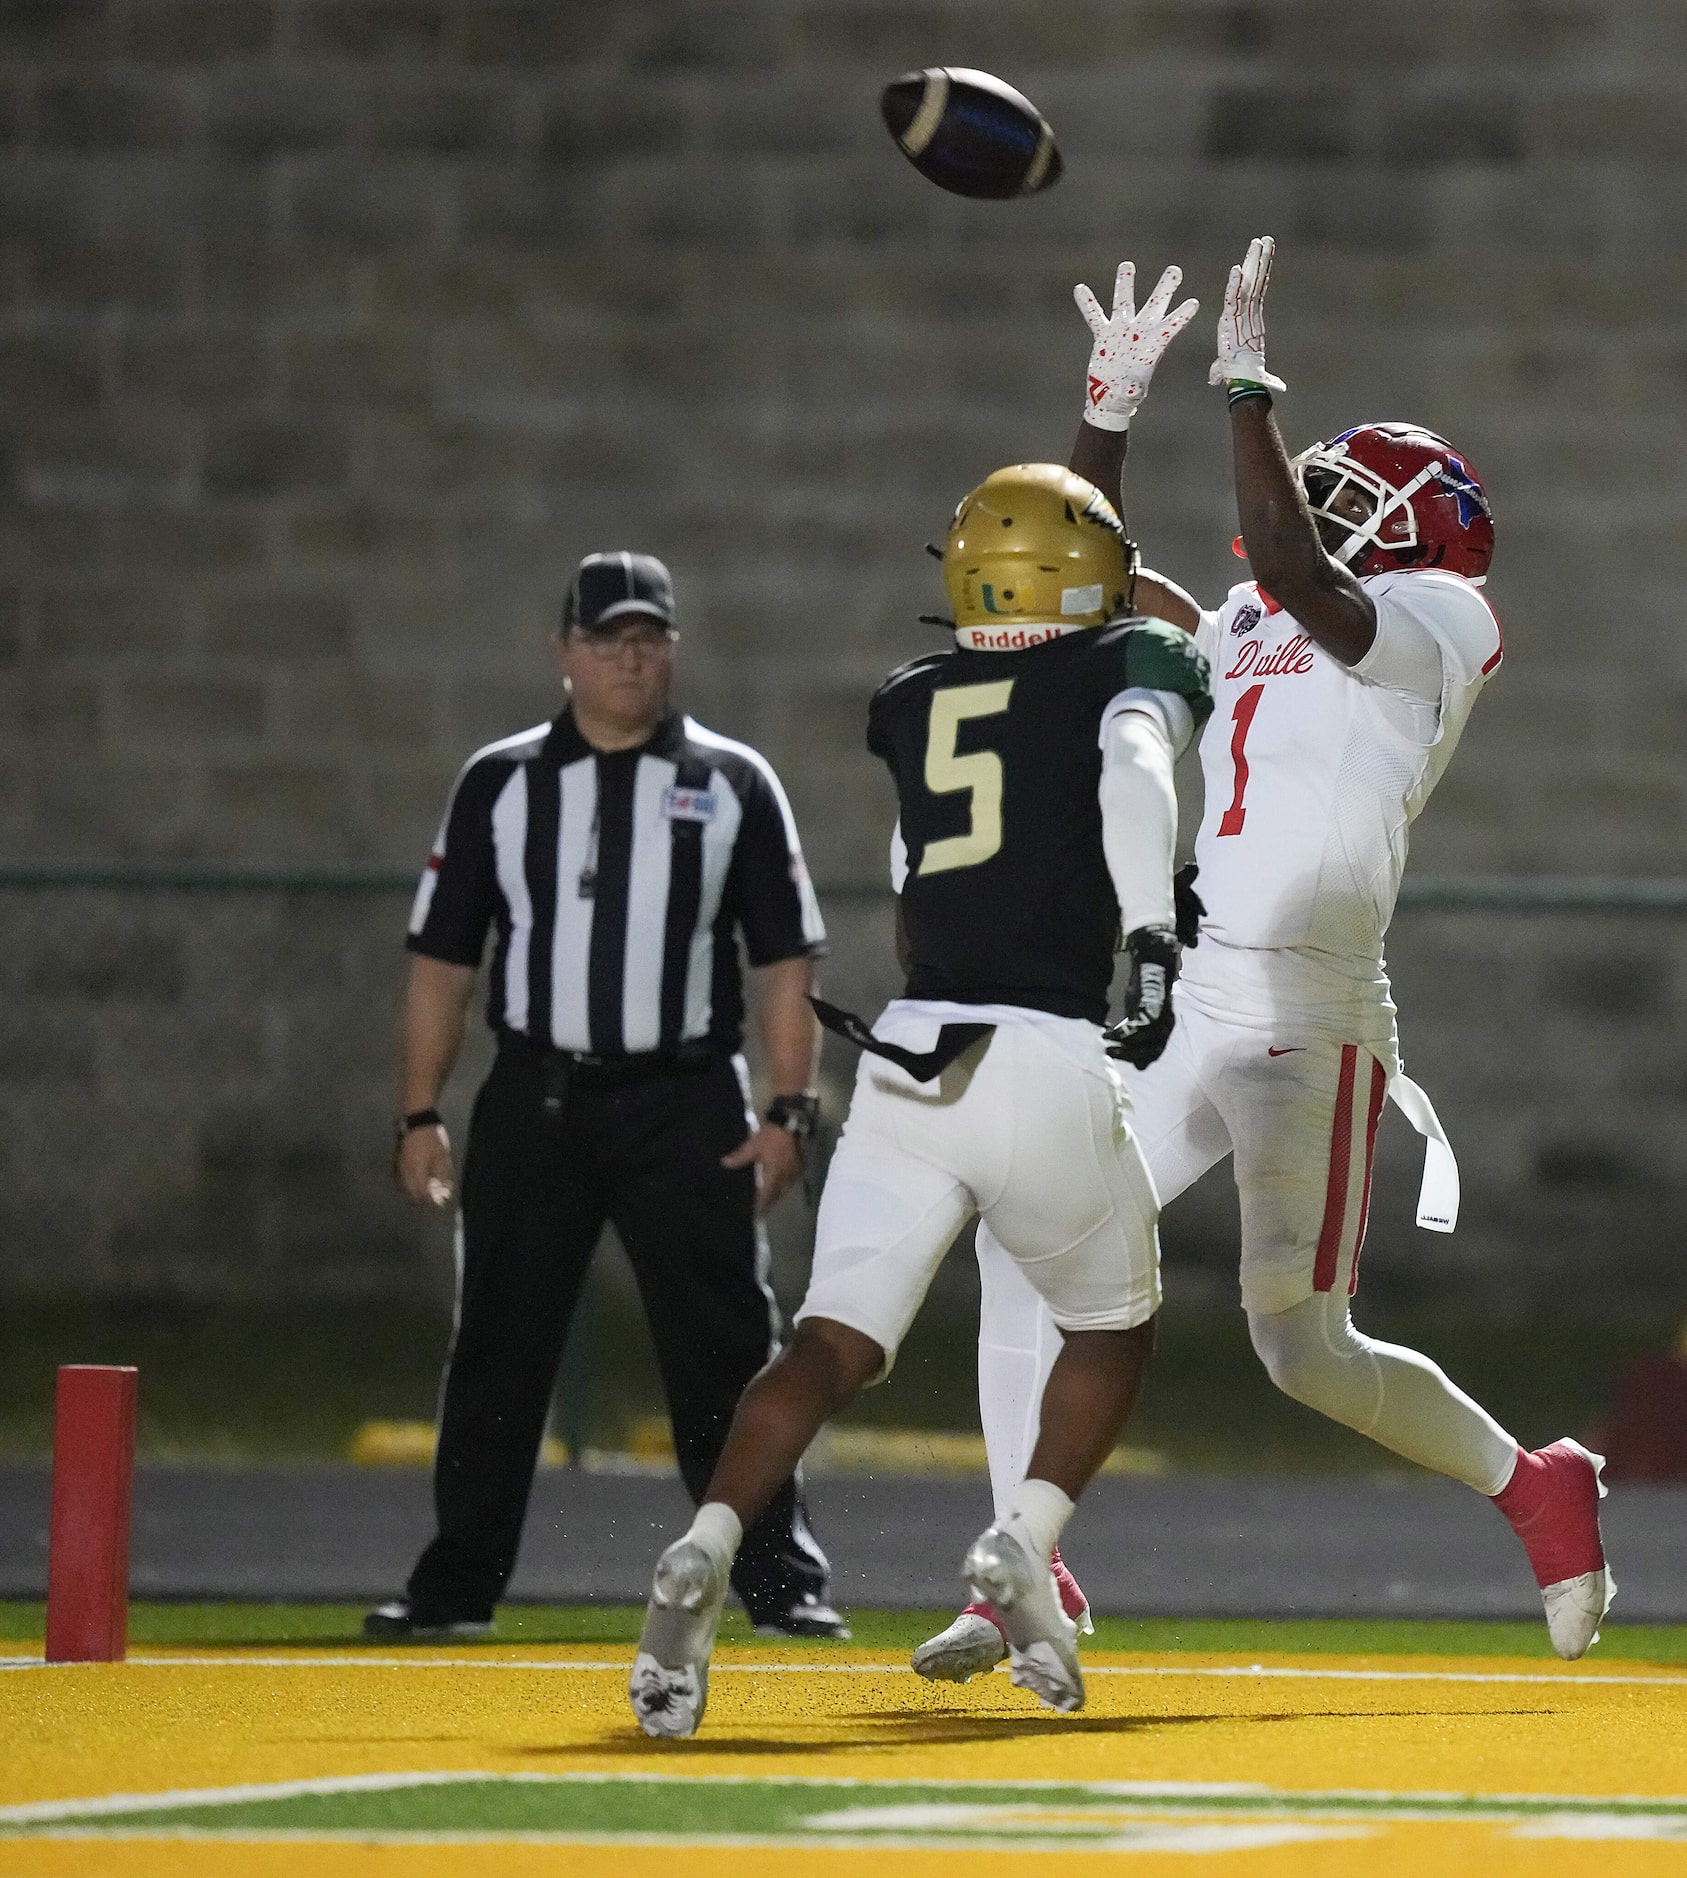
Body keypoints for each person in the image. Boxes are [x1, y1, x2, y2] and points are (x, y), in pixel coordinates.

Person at [915, 238, 1613, 1685]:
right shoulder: (1243, 617)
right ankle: (1019, 1563)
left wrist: (1244, 390)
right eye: (1321, 476)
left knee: (1300, 1351)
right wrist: (1104, 410)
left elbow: (1299, 566)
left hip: (1314, 1014)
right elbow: (1073, 578)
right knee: (1016, 1236)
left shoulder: (1438, 620)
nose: (1323, 501)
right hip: (1196, 992)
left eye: (1360, 490)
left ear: (1426, 526)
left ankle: (1532, 1483)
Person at [626, 462, 1214, 1739]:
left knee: (827, 1347)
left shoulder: (912, 695)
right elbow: (1129, 769)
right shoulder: (1129, 665)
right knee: (1113, 1327)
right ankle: (1023, 1541)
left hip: (907, 1053)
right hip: (1043, 1051)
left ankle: (706, 1546)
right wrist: (1154, 938)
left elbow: (909, 886)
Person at [369, 549, 845, 1642]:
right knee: (497, 1341)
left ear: (671, 650)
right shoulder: (502, 782)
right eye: (607, 640)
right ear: (564, 653)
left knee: (725, 1341)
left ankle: (776, 1578)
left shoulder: (732, 781)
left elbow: (784, 960)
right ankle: (456, 1584)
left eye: (648, 640)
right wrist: (419, 1111)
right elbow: (444, 959)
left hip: (685, 1097)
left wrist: (786, 1110)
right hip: (537, 1094)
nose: (630, 660)